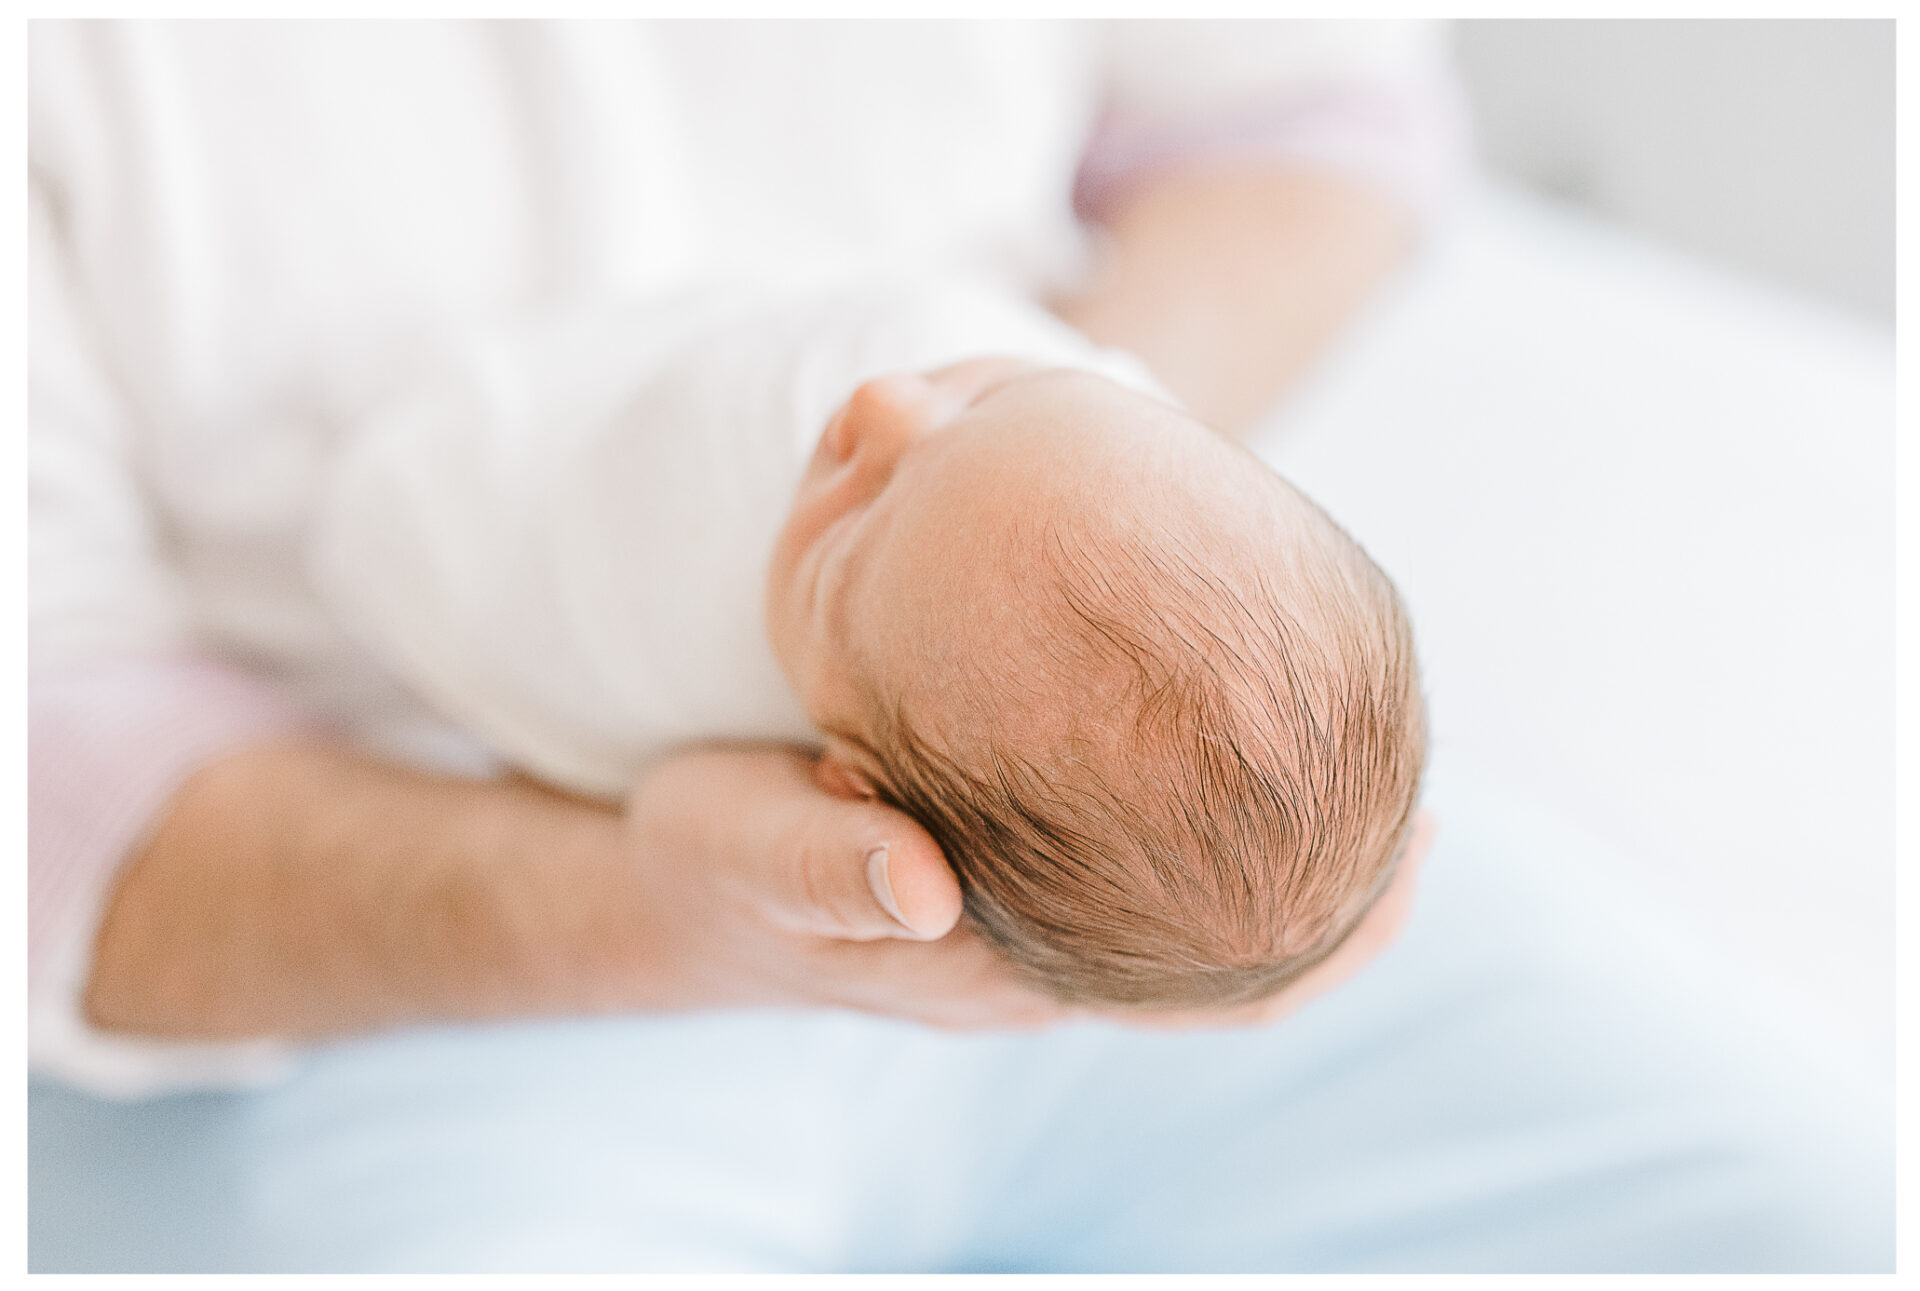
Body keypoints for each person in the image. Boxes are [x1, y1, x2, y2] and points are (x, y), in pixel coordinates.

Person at [30, 20, 1887, 1272]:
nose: (887, 413)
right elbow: (54, 783)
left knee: (1833, 1220)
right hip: (425, 954)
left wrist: (1080, 511)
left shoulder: (1244, 775)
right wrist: (658, 905)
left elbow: (1311, 116)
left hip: (1137, 859)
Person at [311, 276, 1429, 1011]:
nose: (880, 407)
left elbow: (688, 818)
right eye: (1002, 391)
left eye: (852, 535)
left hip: (425, 490)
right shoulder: (1082, 452)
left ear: (855, 784)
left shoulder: (800, 795)